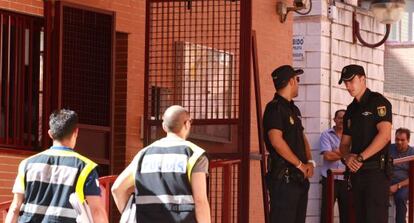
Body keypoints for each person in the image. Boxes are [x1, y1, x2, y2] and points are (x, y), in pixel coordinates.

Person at [5, 109, 108, 223]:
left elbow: (15, 208)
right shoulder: (86, 167)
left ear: (50, 133)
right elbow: (97, 211)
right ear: (76, 132)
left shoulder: (27, 164)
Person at [111, 105, 211, 223]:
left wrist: (131, 214)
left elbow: (117, 189)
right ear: (187, 124)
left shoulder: (143, 154)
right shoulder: (194, 154)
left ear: (164, 126)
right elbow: (200, 200)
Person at [338, 64, 392, 223]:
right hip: (357, 175)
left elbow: (385, 135)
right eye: (345, 83)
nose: (348, 86)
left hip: (376, 173)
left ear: (363, 79)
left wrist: (360, 158)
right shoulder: (350, 110)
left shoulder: (379, 102)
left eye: (351, 81)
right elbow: (344, 144)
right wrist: (347, 158)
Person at [263, 65, 315, 223]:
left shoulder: (294, 109)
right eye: (297, 79)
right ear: (291, 81)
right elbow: (276, 140)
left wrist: (310, 162)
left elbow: (302, 137)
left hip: (299, 178)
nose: (298, 83)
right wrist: (300, 164)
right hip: (283, 179)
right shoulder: (274, 108)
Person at [319, 109, 349, 223]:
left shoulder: (351, 136)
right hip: (329, 179)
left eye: (344, 118)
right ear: (334, 119)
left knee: (347, 214)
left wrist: (337, 151)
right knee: (326, 214)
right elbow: (327, 156)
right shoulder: (326, 134)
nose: (342, 120)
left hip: (346, 179)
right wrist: (346, 153)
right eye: (340, 118)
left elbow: (355, 155)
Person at [389, 128, 414, 223]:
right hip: (388, 180)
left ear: (408, 140)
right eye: (397, 139)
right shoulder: (390, 148)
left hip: (405, 183)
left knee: (400, 197)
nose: (399, 142)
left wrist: (397, 186)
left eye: (402, 140)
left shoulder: (412, 152)